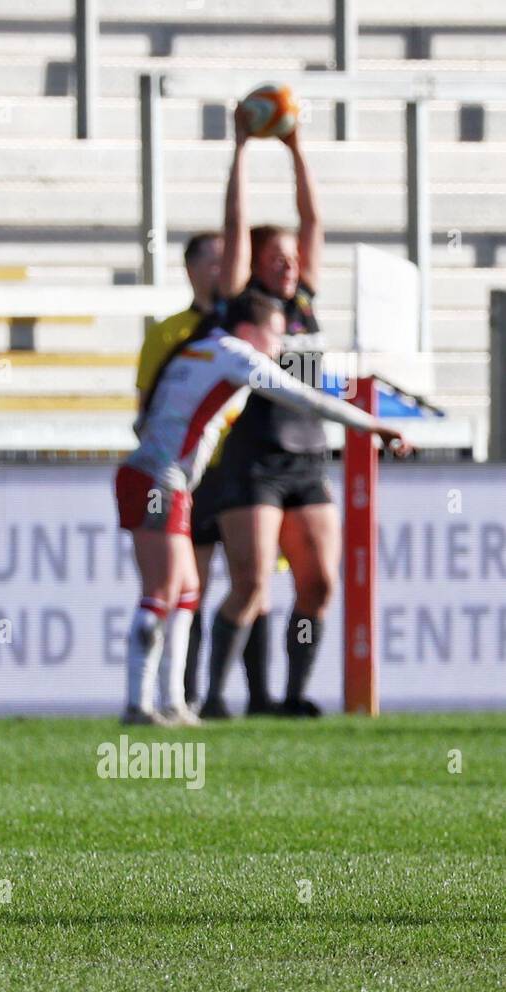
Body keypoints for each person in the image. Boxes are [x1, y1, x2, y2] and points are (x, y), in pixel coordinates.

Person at [116, 290, 410, 726]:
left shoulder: (196, 349)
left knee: (186, 590)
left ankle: (172, 702)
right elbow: (305, 398)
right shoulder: (236, 355)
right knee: (163, 591)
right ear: (250, 330)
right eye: (276, 334)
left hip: (154, 477)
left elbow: (145, 420)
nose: (280, 346)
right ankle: (138, 704)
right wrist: (375, 426)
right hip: (158, 481)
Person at [203, 106, 332, 719]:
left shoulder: (304, 301)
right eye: (276, 256)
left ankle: (290, 694)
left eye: (291, 257)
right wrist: (240, 149)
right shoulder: (239, 303)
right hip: (254, 460)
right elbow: (235, 221)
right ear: (255, 261)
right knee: (252, 586)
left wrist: (297, 147)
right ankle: (215, 697)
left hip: (309, 456)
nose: (288, 264)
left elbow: (313, 218)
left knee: (318, 587)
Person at [133, 232, 265, 718]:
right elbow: (146, 409)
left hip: (235, 472)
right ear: (190, 269)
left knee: (250, 580)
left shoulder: (248, 334)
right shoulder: (170, 334)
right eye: (213, 262)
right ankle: (176, 693)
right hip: (184, 474)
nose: (221, 271)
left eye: (227, 262)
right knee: (187, 584)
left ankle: (249, 695)